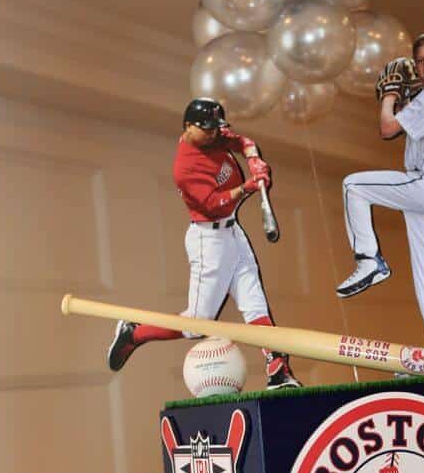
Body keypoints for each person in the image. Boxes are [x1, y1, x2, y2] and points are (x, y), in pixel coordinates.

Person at [107, 97, 301, 390]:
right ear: (188, 127)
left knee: (255, 304)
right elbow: (215, 204)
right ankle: (135, 333)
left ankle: (277, 368)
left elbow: (243, 141)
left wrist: (254, 160)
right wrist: (249, 187)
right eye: (207, 129)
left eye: (215, 128)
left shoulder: (213, 135)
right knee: (197, 323)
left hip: (233, 232)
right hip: (208, 239)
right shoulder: (185, 166)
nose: (213, 134)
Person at [336, 32, 424, 353]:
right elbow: (413, 120)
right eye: (421, 60)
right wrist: (406, 96)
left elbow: (387, 129)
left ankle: (369, 260)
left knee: (354, 185)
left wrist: (390, 96)